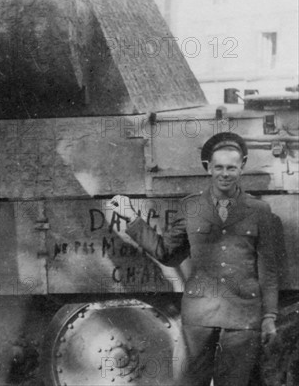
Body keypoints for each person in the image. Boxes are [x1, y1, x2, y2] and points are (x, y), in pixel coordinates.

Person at [110, 132, 278, 386]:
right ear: (208, 168)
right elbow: (167, 254)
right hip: (200, 313)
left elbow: (268, 269)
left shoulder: (259, 211)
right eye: (219, 167)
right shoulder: (192, 208)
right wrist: (132, 219)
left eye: (231, 168)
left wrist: (270, 317)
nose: (225, 173)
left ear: (242, 167)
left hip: (242, 316)